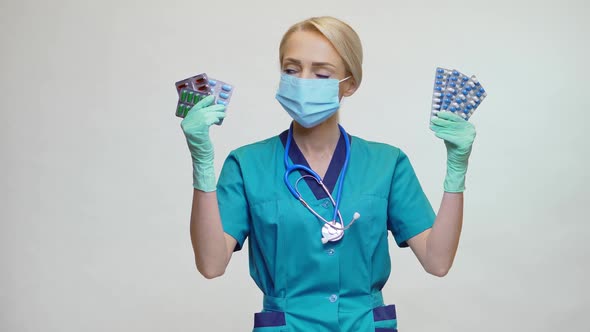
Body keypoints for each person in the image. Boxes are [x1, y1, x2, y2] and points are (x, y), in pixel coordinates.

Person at [181, 16, 476, 332]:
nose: (304, 80)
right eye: (292, 70)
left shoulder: (387, 163)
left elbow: (437, 261)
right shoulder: (247, 164)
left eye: (321, 73)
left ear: (350, 83)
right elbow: (211, 265)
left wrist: (456, 168)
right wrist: (202, 163)